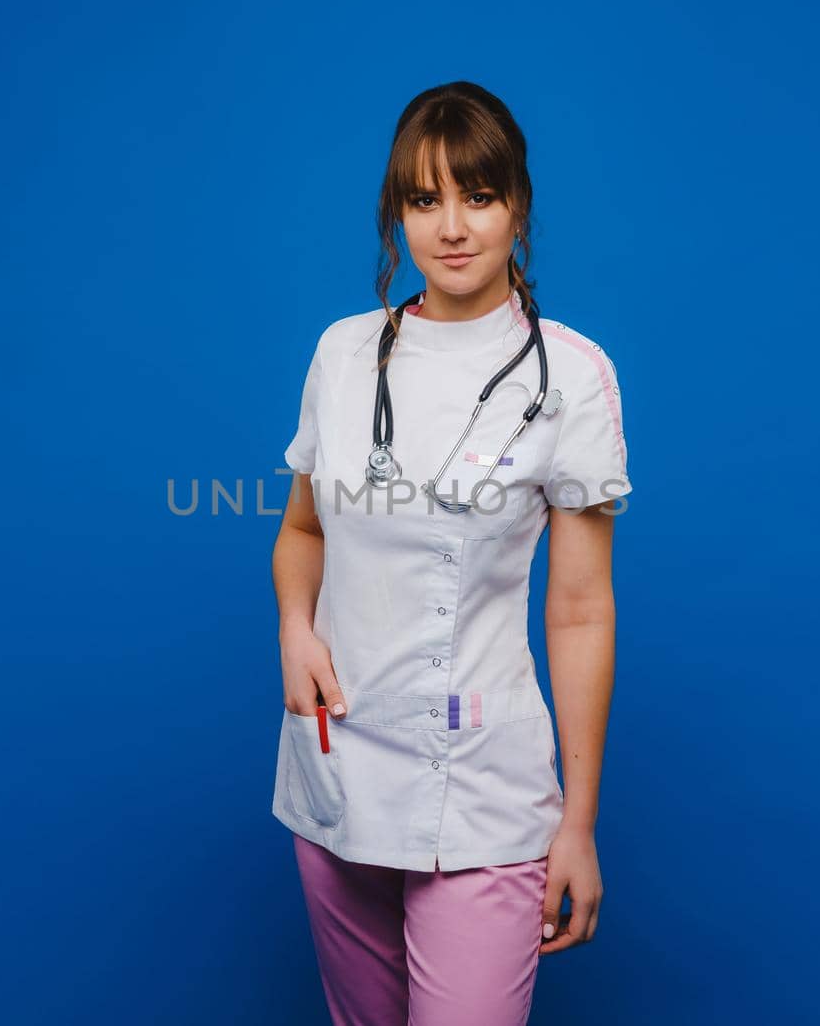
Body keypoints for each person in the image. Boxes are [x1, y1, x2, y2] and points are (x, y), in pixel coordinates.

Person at [270, 80, 631, 1026]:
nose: (453, 226)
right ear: (397, 213)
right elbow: (304, 529)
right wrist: (295, 629)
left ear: (519, 205)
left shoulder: (572, 376)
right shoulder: (344, 356)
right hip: (337, 767)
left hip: (483, 786)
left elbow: (581, 607)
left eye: (478, 194)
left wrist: (578, 825)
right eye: (424, 200)